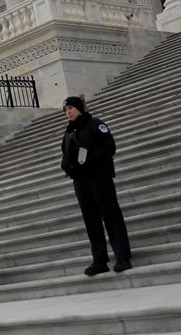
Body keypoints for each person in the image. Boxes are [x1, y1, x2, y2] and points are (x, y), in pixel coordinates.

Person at [60, 96, 132, 276]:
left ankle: (122, 257)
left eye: (70, 108)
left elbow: (109, 147)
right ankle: (99, 260)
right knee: (91, 220)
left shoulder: (95, 124)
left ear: (79, 108)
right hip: (81, 181)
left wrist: (89, 158)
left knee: (111, 216)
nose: (68, 112)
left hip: (99, 177)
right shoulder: (69, 132)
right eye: (65, 110)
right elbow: (65, 155)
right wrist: (67, 165)